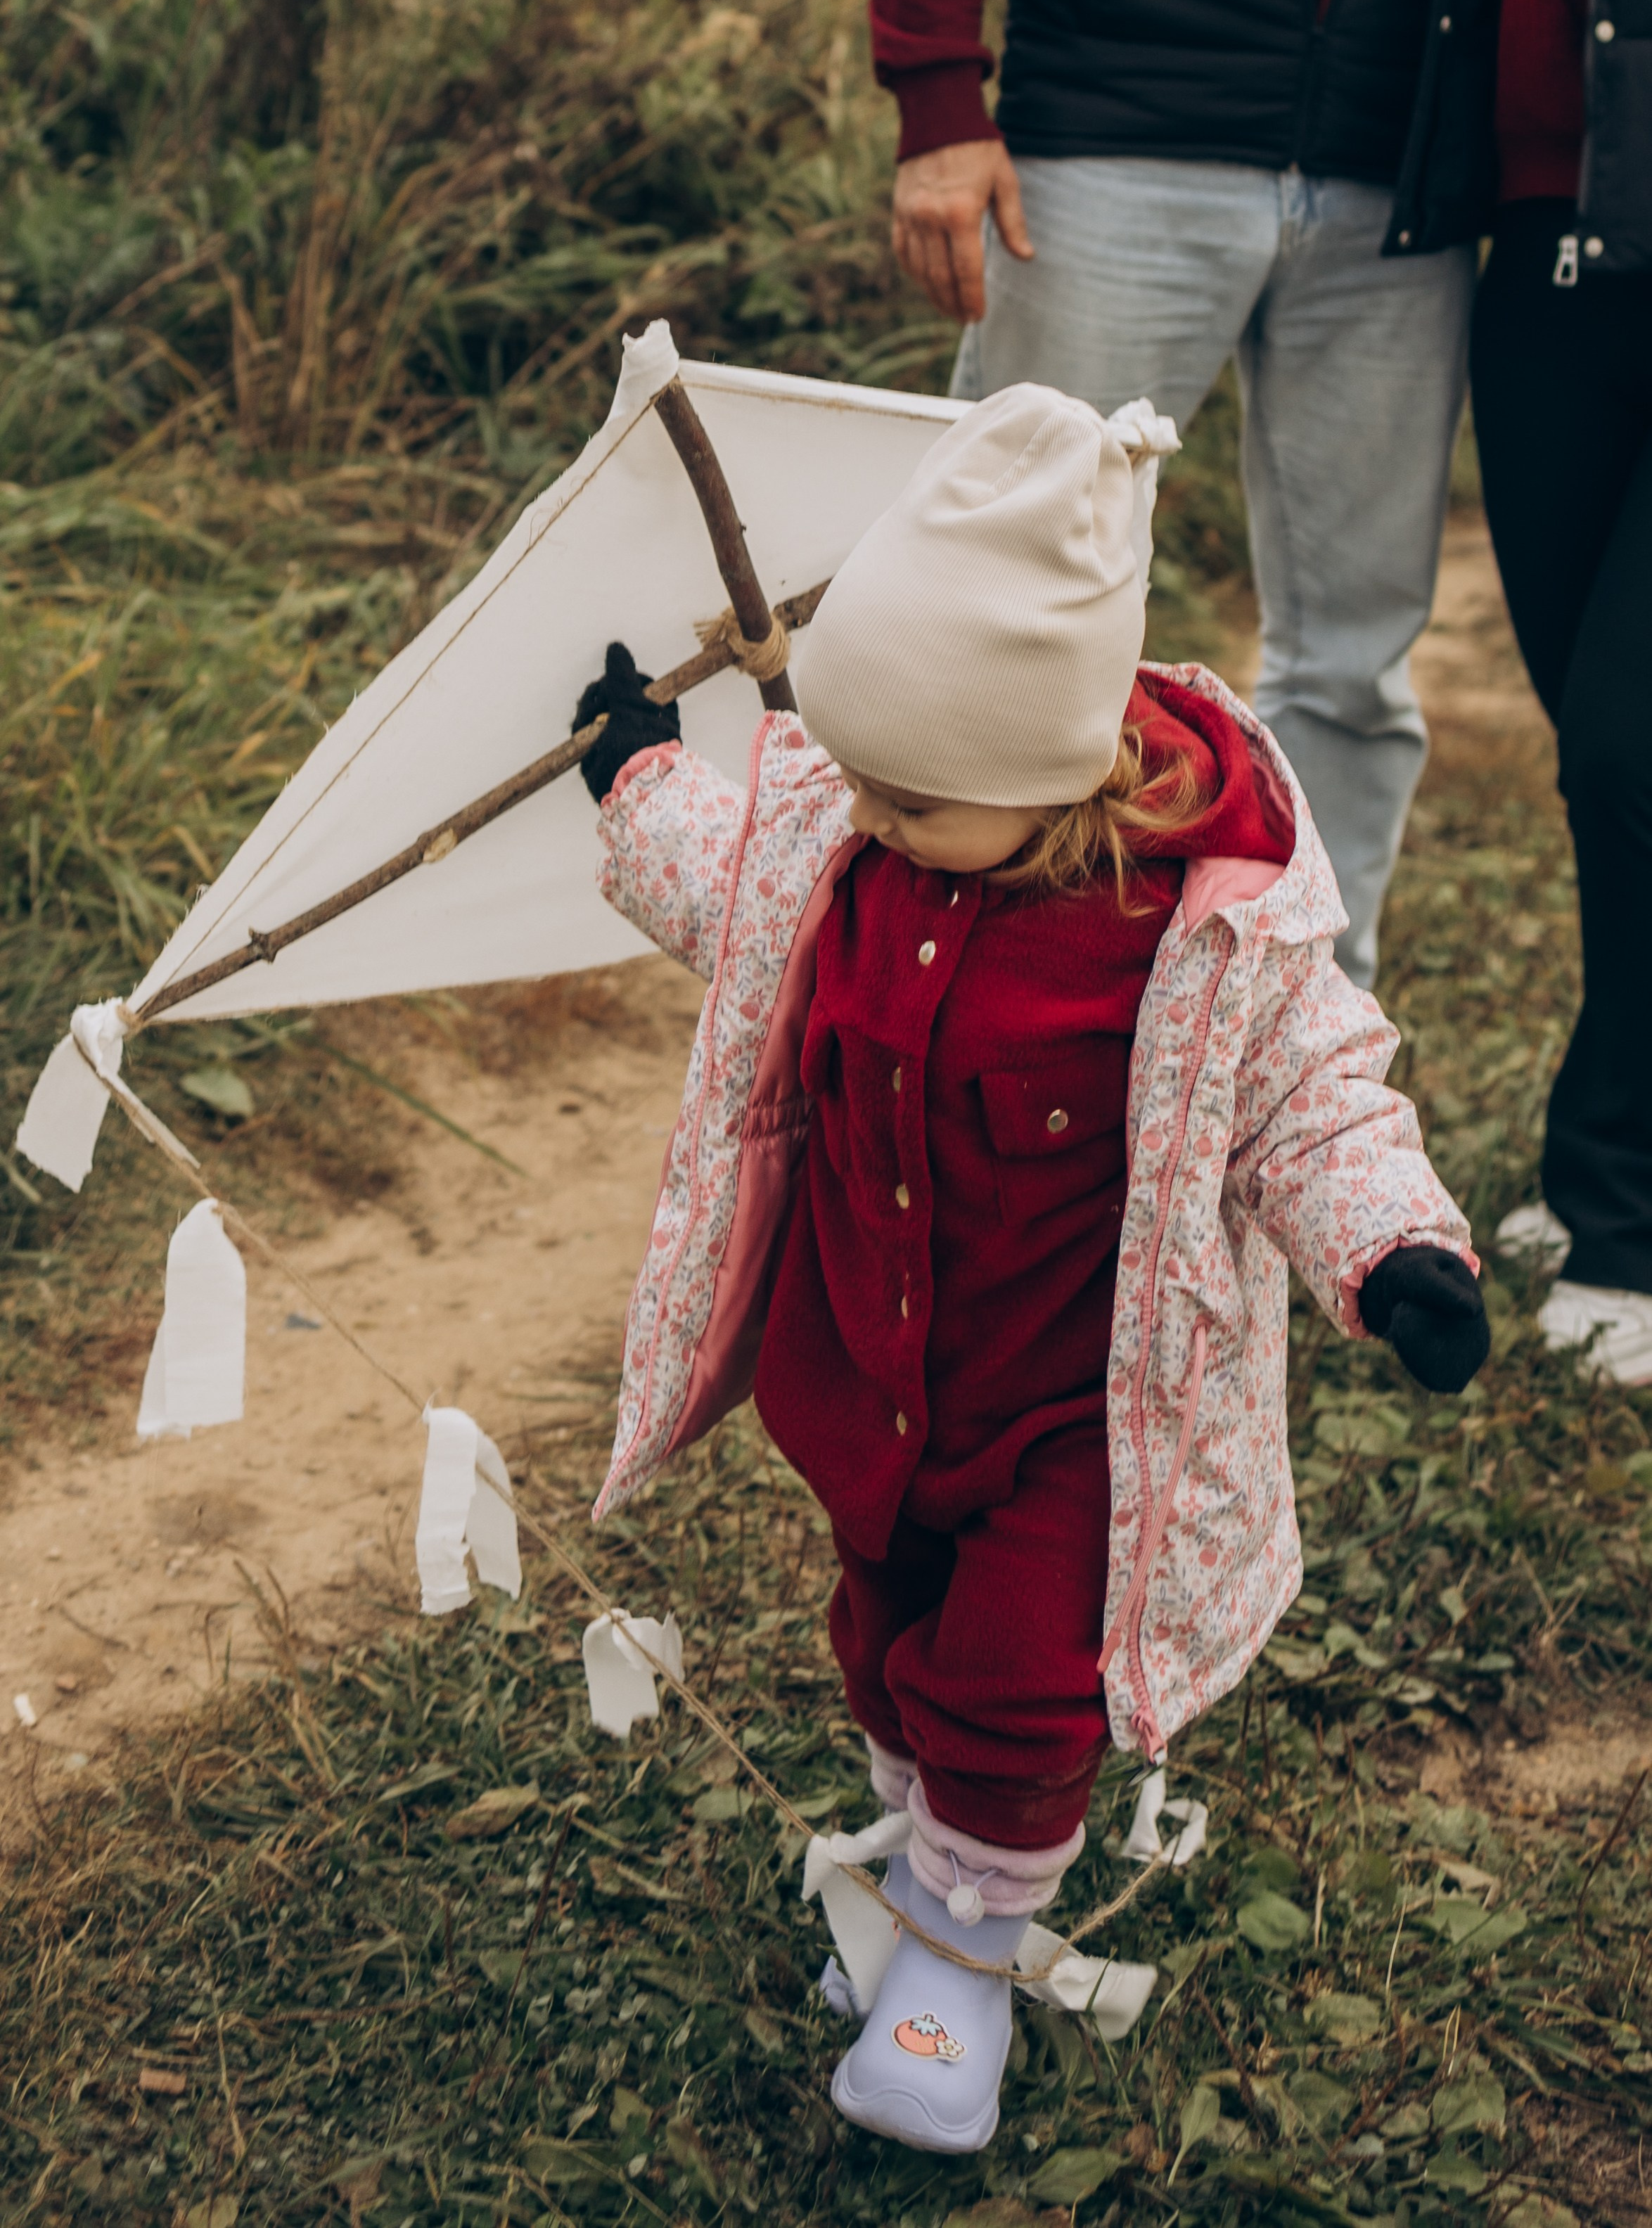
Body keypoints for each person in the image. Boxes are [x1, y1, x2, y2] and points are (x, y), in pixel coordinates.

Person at [572, 386, 1488, 2152]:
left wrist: (1391, 1248)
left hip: (1072, 1408)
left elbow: (1311, 1092)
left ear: (1049, 765)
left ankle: (955, 1974)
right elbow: (734, 882)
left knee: (1011, 1673)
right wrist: (637, 780)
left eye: (919, 795)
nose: (879, 815)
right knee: (888, 1640)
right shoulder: (862, 823)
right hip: (866, 1378)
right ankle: (922, 1882)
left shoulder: (1189, 931)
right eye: (870, 782)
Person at [869, 0, 1489, 990]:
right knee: (992, 601)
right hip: (1111, 145)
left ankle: (1298, 1026)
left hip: (1392, 170)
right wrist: (937, 98)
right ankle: (962, 1006)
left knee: (1351, 654)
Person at [1388, 0, 1652, 1381]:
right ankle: (1607, 1125)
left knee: (1632, 745)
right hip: (1548, 281)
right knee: (1595, 754)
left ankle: (1621, 1219)